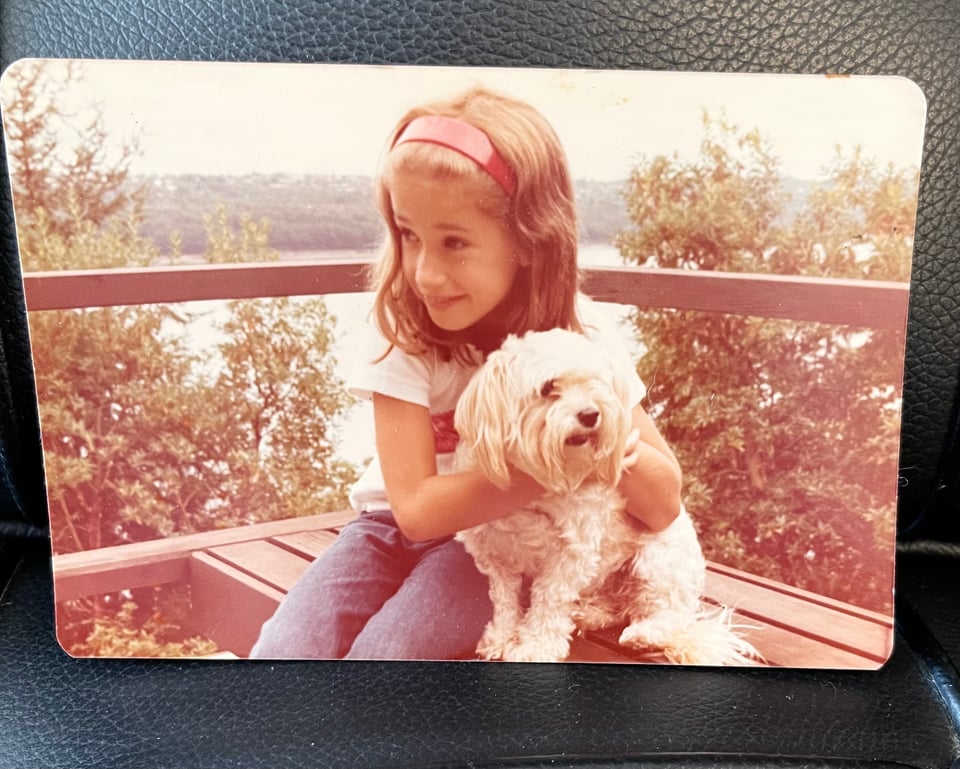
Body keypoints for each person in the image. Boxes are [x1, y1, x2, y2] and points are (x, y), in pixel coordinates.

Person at [249, 85, 682, 660]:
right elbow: (416, 511)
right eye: (408, 235)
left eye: (454, 242)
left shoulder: (579, 342)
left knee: (388, 656)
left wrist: (601, 445)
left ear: (529, 241)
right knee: (284, 652)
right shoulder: (402, 329)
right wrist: (556, 464)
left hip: (489, 548)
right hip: (385, 531)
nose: (425, 273)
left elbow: (663, 503)